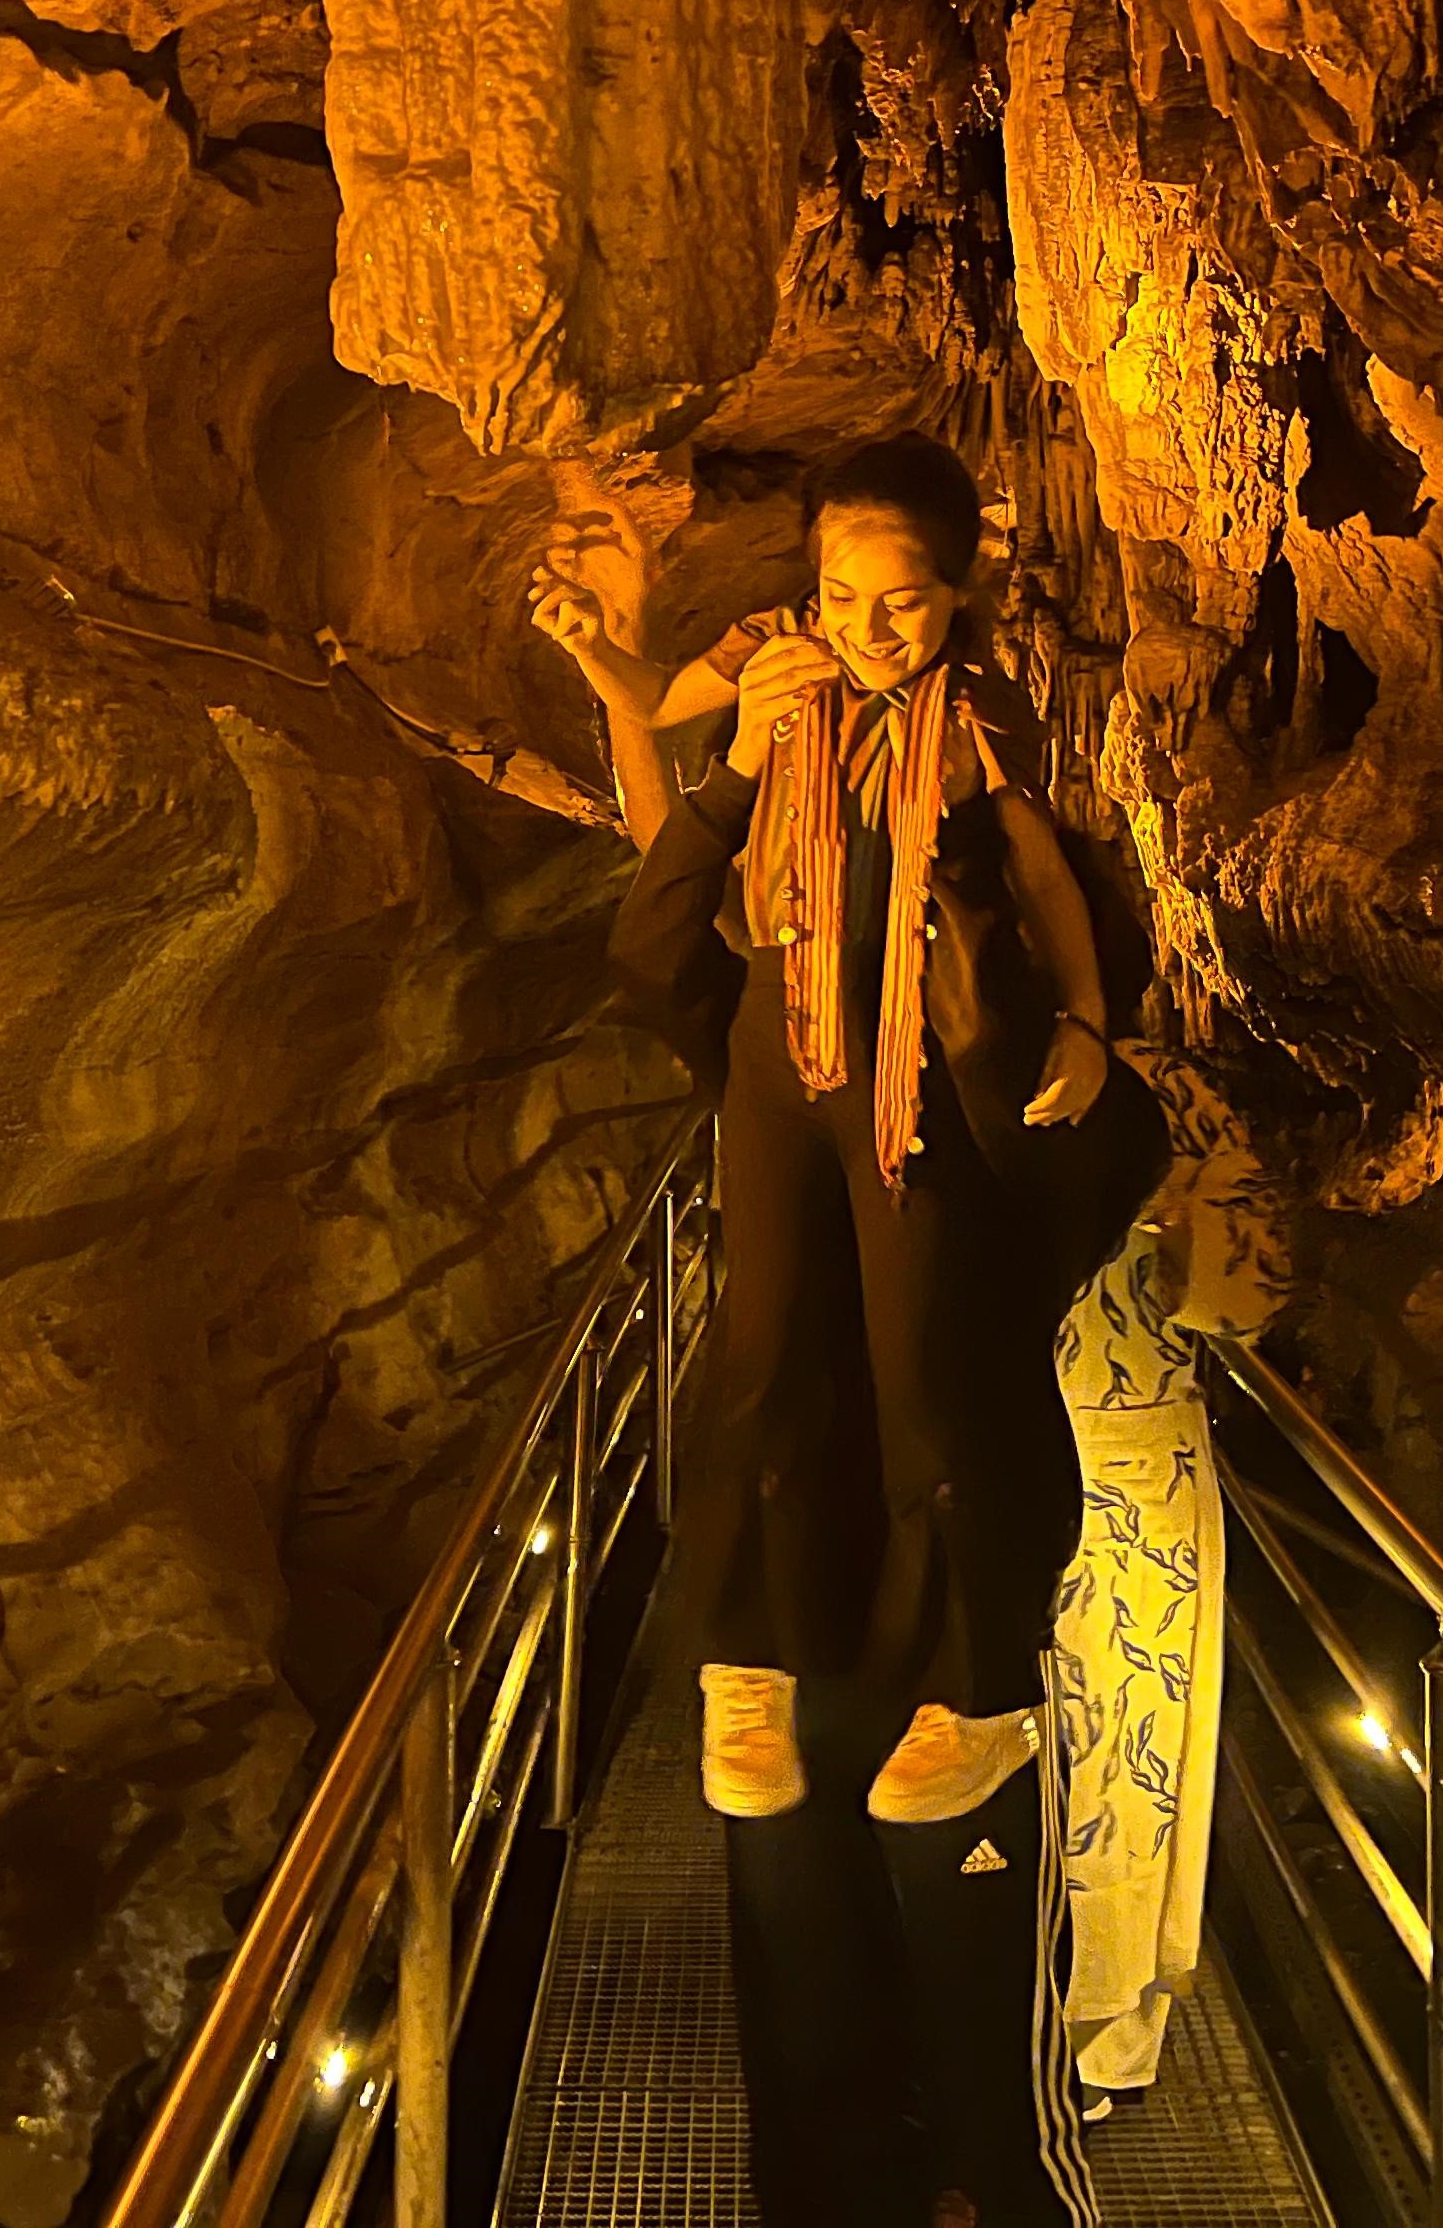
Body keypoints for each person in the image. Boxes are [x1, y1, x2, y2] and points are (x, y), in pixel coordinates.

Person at [539, 435, 1155, 2228]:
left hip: (905, 1083)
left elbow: (1039, 880)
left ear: (955, 593)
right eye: (845, 597)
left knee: (919, 1367)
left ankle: (966, 1692)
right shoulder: (778, 689)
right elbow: (681, 815)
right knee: (763, 1344)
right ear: (808, 588)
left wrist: (1092, 1027)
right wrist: (628, 680)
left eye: (903, 601)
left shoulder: (977, 736)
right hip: (793, 1051)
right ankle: (745, 1648)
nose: (873, 629)